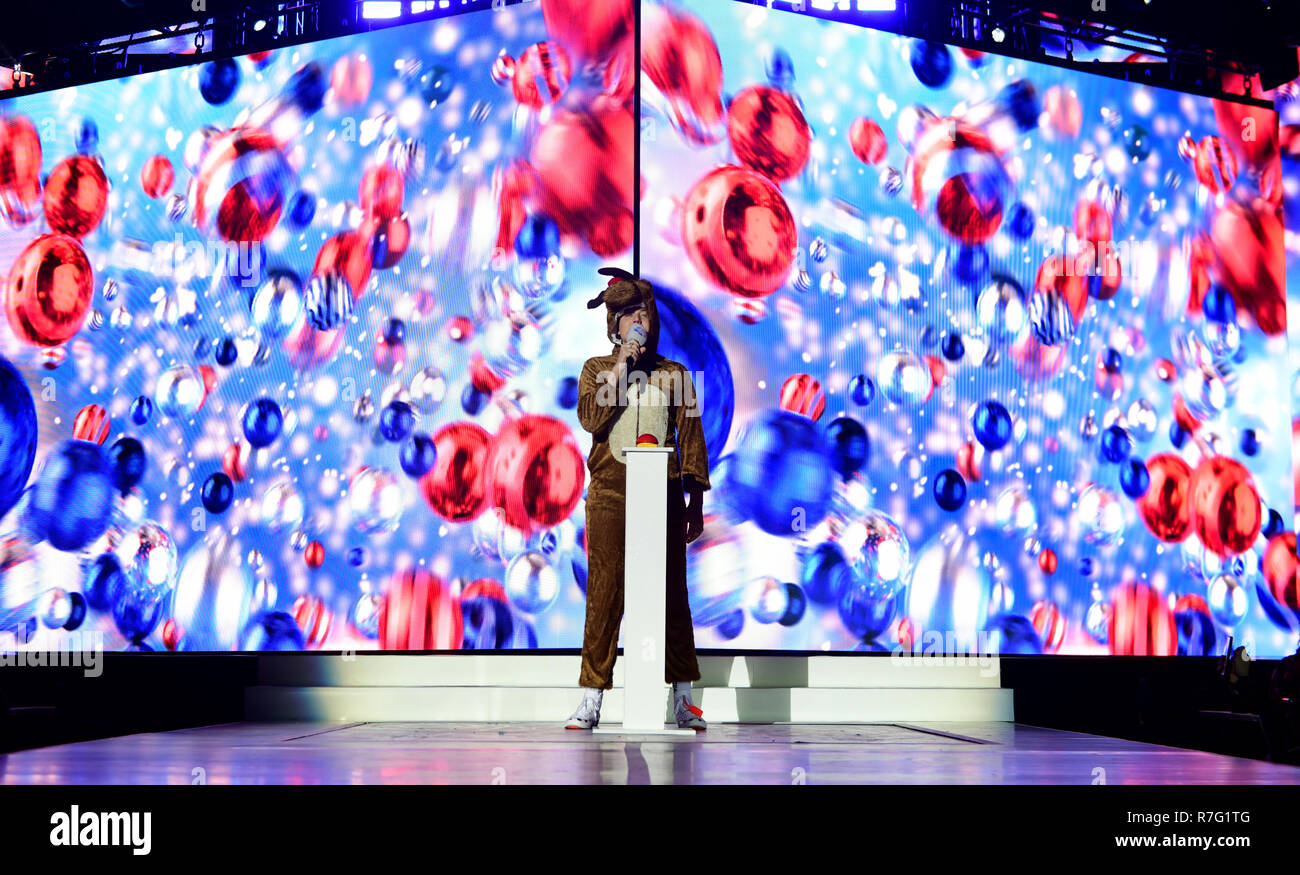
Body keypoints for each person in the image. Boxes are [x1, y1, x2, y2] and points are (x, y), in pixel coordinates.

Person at [566, 266, 711, 731]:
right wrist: (621, 365)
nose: (635, 321)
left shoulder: (675, 374)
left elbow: (691, 438)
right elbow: (591, 418)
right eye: (625, 315)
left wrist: (695, 501)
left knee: (673, 595)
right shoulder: (596, 370)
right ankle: (591, 699)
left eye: (640, 313)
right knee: (605, 593)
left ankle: (683, 698)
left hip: (664, 495)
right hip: (609, 493)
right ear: (613, 325)